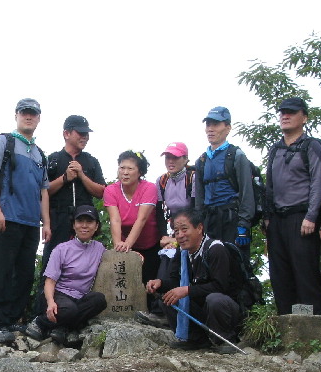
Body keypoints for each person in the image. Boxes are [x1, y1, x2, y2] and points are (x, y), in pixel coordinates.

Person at [0, 98, 51, 345]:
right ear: (17, 115)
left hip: (31, 223)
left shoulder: (39, 154)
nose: (28, 117)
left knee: (24, 272)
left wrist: (47, 224)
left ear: (39, 118)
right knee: (1, 271)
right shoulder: (4, 142)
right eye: (25, 113)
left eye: (33, 113)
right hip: (6, 217)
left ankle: (13, 318)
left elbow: (43, 191)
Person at [146, 208, 243, 354]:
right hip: (201, 306)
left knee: (214, 299)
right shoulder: (182, 253)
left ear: (199, 228)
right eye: (176, 231)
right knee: (168, 298)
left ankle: (224, 339)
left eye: (184, 229)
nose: (180, 235)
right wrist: (160, 283)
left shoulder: (215, 249)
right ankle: (195, 339)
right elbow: (174, 282)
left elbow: (220, 286)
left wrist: (187, 290)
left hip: (226, 308)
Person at [265, 97, 321, 315]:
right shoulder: (276, 149)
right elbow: (269, 185)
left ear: (304, 117)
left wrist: (312, 216)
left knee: (305, 274)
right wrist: (267, 219)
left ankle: (310, 331)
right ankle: (287, 328)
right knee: (280, 274)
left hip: (302, 218)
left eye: (291, 112)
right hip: (277, 220)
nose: (285, 116)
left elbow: (319, 182)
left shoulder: (312, 146)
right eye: (282, 112)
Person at [25, 205, 107, 344]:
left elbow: (116, 257)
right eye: (80, 221)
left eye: (89, 221)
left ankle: (62, 327)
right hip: (60, 295)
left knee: (99, 300)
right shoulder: (62, 249)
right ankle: (40, 322)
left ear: (96, 226)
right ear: (74, 225)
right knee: (69, 310)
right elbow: (49, 281)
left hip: (80, 298)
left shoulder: (99, 248)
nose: (84, 226)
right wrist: (50, 302)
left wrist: (134, 255)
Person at [136, 142, 194, 328]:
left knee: (177, 267)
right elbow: (160, 212)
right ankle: (160, 310)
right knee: (164, 264)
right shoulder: (162, 181)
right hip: (172, 230)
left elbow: (196, 207)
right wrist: (164, 237)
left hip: (190, 228)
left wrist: (179, 238)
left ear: (185, 159)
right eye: (168, 157)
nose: (171, 161)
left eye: (176, 157)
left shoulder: (192, 177)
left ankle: (165, 311)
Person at [42, 115, 106, 273]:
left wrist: (82, 176)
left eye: (87, 134)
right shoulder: (53, 160)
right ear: (66, 134)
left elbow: (101, 192)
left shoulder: (91, 161)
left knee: (87, 266)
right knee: (52, 265)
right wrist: (64, 178)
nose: (85, 137)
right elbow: (43, 191)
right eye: (80, 133)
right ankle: (48, 297)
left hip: (85, 221)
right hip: (58, 220)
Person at [194, 106, 255, 259]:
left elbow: (247, 192)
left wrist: (244, 225)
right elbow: (199, 199)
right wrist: (198, 224)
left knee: (236, 266)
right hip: (210, 221)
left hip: (231, 219)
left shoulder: (236, 155)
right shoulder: (201, 161)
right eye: (208, 125)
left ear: (227, 128)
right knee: (211, 266)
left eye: (216, 124)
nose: (210, 129)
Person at [103, 150, 160, 285]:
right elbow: (115, 219)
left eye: (130, 168)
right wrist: (118, 245)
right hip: (126, 244)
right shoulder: (111, 190)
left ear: (140, 172)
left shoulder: (149, 188)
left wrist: (127, 245)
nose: (125, 172)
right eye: (122, 168)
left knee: (148, 285)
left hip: (150, 244)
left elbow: (141, 219)